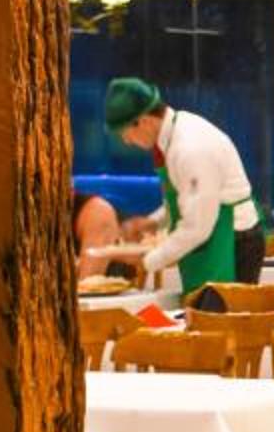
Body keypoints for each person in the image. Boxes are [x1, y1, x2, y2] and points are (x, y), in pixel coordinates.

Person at [91, 77, 264, 292]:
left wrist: (148, 261)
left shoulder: (190, 148)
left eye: (125, 134)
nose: (127, 142)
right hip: (215, 238)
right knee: (199, 311)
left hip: (232, 243)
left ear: (143, 121)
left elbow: (198, 226)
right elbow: (191, 198)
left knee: (219, 313)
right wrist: (153, 222)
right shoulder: (175, 132)